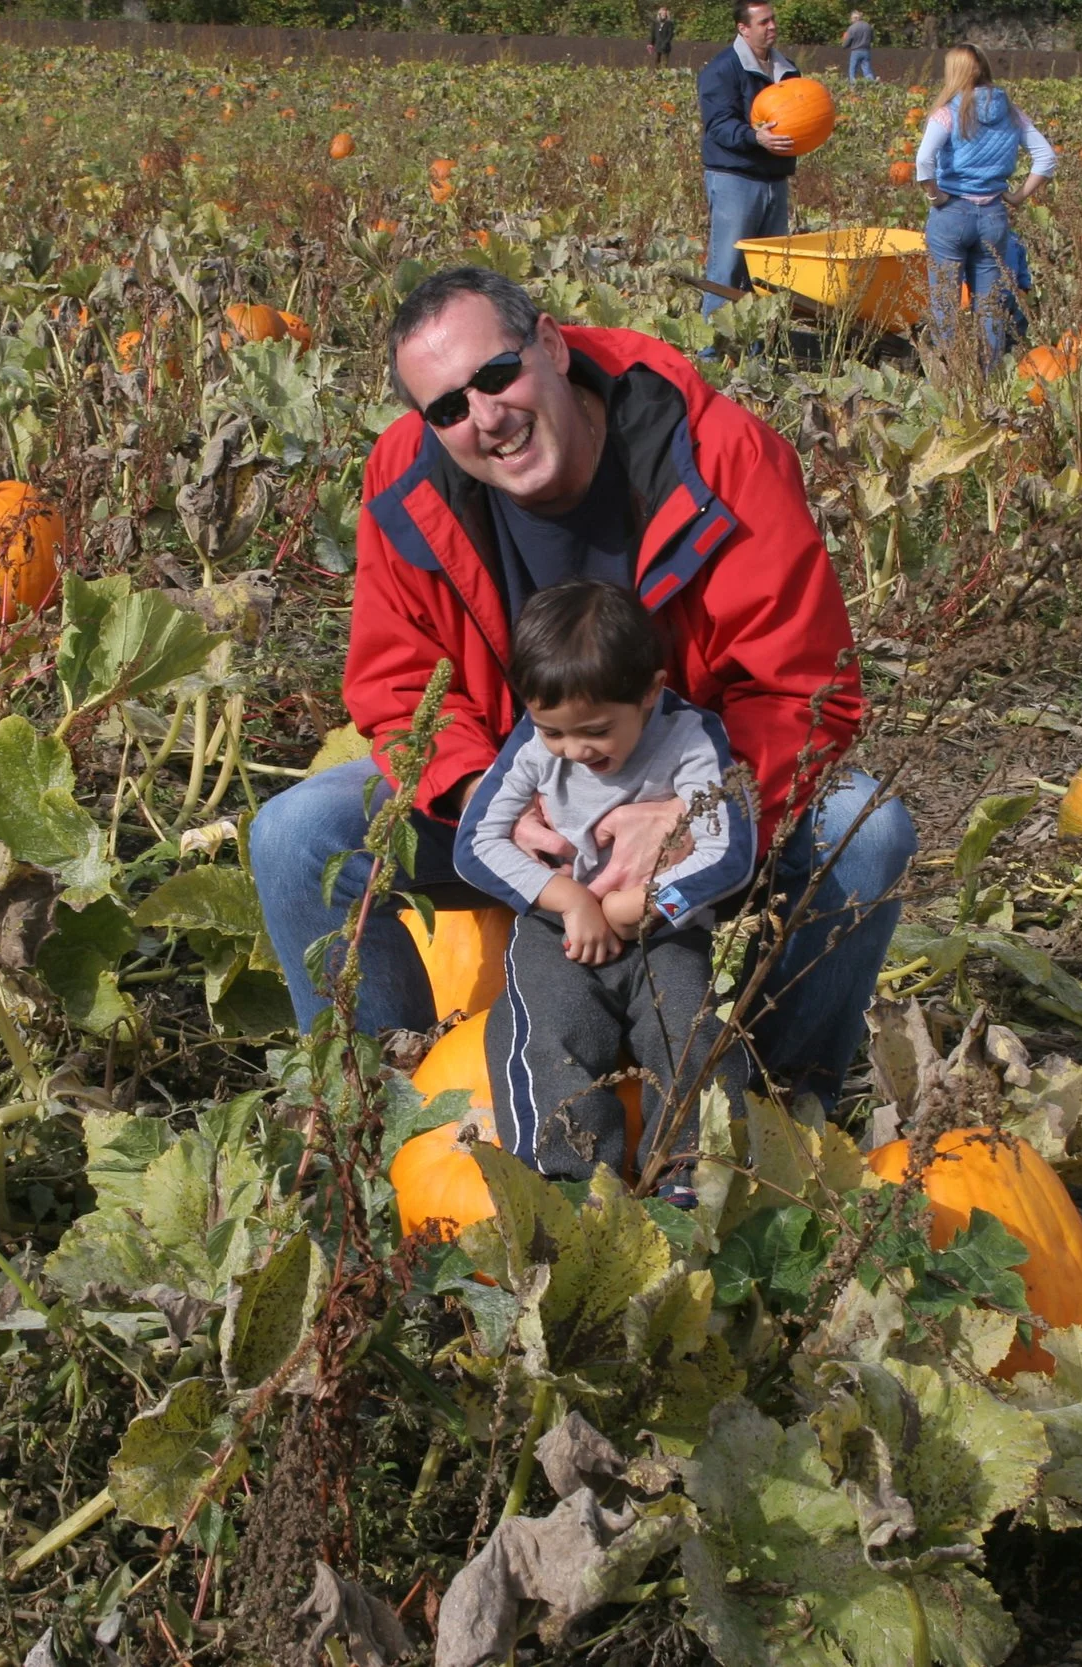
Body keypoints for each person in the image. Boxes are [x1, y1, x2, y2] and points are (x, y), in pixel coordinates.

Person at [248, 266, 916, 1109]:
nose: (485, 417)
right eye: (448, 408)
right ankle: (385, 1120)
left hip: (695, 790)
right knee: (295, 836)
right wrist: (488, 798)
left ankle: (775, 1117)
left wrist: (696, 809)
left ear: (553, 345)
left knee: (869, 833)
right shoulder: (404, 483)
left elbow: (803, 692)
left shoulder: (717, 456)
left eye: (497, 376)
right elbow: (399, 684)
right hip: (514, 795)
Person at [455, 581, 754, 1196]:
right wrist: (570, 900)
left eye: (594, 730)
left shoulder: (693, 739)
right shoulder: (533, 745)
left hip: (664, 929)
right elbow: (475, 843)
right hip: (557, 925)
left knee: (693, 1031)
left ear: (648, 692)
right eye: (553, 732)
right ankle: (566, 1187)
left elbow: (729, 851)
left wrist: (643, 905)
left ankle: (690, 1183)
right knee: (546, 1032)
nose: (573, 749)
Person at [912, 44, 1054, 365]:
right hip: (993, 215)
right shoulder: (1012, 112)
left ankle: (953, 376)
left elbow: (923, 161)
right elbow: (1046, 158)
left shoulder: (948, 112)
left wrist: (935, 196)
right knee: (989, 306)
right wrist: (1018, 196)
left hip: (952, 213)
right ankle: (988, 379)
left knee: (945, 303)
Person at [695, 1, 801, 318]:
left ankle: (757, 349)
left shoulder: (788, 69)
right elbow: (718, 125)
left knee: (768, 271)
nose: (772, 27)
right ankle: (711, 350)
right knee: (726, 266)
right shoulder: (722, 69)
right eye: (763, 22)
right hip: (734, 179)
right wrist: (755, 136)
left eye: (773, 20)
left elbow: (800, 114)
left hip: (774, 178)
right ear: (743, 28)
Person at [843, 10, 875, 80]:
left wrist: (844, 46)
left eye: (851, 18)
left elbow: (848, 40)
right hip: (866, 51)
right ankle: (872, 85)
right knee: (867, 70)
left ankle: (853, 86)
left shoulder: (852, 28)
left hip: (856, 51)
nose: (851, 20)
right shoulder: (868, 26)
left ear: (855, 18)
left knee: (853, 71)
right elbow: (872, 39)